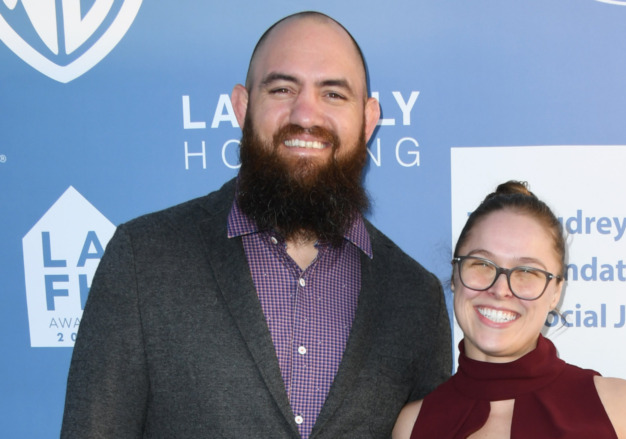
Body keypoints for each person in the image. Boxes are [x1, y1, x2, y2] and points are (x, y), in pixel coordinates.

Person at [61, 11, 451, 439]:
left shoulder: (417, 297)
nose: (306, 114)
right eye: (283, 89)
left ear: (368, 118)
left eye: (334, 94)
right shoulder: (143, 260)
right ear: (243, 107)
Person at [393, 181, 626, 439]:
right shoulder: (413, 426)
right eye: (482, 265)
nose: (501, 289)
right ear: (455, 275)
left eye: (526, 271)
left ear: (555, 292)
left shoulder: (622, 410)